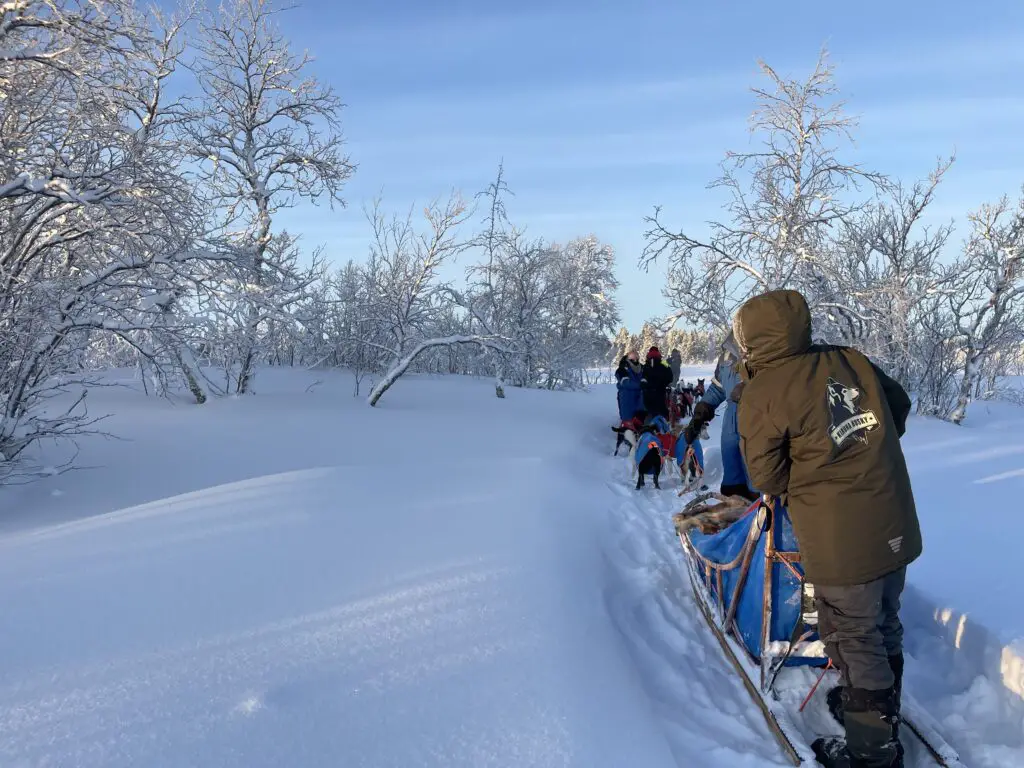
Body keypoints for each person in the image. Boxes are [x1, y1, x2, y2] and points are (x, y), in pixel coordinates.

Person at [732, 288, 921, 768]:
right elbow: (897, 408)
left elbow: (766, 478)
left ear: (751, 341)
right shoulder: (849, 359)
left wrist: (817, 467)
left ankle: (873, 753)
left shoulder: (764, 391)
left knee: (854, 635)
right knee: (884, 621)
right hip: (894, 518)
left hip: (842, 538)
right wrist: (861, 446)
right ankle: (875, 710)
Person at [690, 331, 757, 501]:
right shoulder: (726, 355)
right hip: (731, 426)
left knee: (759, 483)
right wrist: (702, 409)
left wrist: (751, 390)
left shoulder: (767, 351)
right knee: (733, 482)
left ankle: (765, 521)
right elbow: (718, 387)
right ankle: (736, 520)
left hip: (758, 422)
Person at [641, 346, 673, 419]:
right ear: (658, 353)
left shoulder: (646, 364)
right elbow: (670, 377)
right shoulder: (664, 363)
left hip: (647, 392)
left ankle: (649, 424)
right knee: (661, 410)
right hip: (660, 390)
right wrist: (665, 383)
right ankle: (664, 424)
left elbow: (643, 377)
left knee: (650, 410)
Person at [615, 352, 643, 424]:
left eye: (636, 357)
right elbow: (625, 383)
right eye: (633, 357)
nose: (635, 359)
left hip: (640, 399)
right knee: (626, 393)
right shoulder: (622, 369)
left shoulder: (642, 368)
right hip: (627, 397)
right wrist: (641, 385)